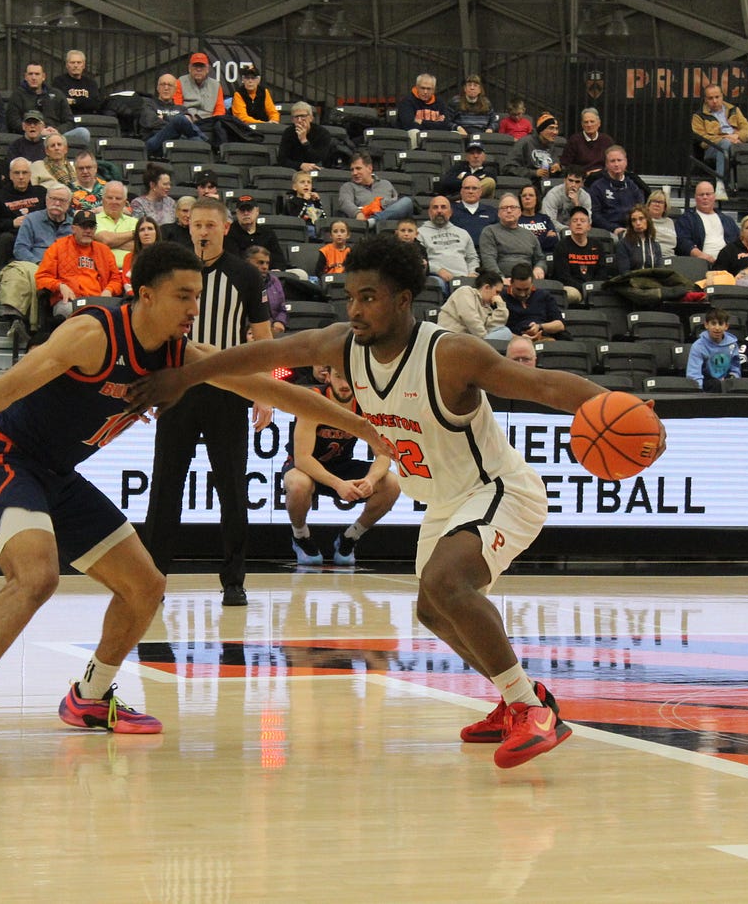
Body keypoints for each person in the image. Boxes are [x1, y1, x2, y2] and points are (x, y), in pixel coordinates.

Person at [126, 235, 636, 770]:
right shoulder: (342, 345)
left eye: (368, 297)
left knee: (447, 584)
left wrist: (624, 409)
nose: (355, 309)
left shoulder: (451, 354)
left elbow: (543, 385)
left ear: (402, 300)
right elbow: (269, 353)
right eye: (350, 297)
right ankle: (519, 698)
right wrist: (187, 374)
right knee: (432, 611)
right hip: (443, 500)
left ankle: (533, 712)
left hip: (497, 489)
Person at [0, 241, 384, 772]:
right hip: (3, 461)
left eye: (199, 295)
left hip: (58, 476)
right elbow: (7, 388)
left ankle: (90, 697)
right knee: (37, 576)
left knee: (146, 586)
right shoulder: (91, 335)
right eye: (184, 296)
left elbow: (271, 390)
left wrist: (365, 427)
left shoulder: (181, 355)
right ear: (145, 295)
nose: (194, 308)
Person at [141, 198, 273, 607]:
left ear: (225, 228)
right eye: (195, 224)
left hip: (227, 391)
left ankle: (234, 579)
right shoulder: (174, 273)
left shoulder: (246, 275)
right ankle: (153, 578)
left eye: (209, 226)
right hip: (178, 387)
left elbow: (264, 339)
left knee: (233, 488)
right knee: (165, 486)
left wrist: (264, 392)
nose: (202, 231)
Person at [284, 364, 402, 565]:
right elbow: (303, 458)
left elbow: (384, 454)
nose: (344, 384)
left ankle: (350, 538)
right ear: (328, 377)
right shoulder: (313, 401)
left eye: (350, 378)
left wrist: (370, 480)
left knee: (392, 484)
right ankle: (300, 536)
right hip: (306, 467)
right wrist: (338, 484)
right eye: (339, 376)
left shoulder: (367, 405)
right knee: (298, 484)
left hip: (341, 464)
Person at [35, 210, 123, 321]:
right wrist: (60, 286)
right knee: (67, 311)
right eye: (84, 227)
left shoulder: (104, 250)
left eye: (91, 227)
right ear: (73, 228)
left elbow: (116, 279)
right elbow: (42, 277)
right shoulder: (58, 247)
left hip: (98, 300)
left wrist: (109, 290)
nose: (88, 231)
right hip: (70, 301)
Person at [0, 157, 45, 274]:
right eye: (16, 173)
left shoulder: (41, 193)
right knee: (5, 239)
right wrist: (12, 223)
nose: (21, 177)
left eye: (24, 173)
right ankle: (0, 281)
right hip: (10, 238)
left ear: (30, 175)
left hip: (38, 237)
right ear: (10, 175)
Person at [3, 62, 88, 147]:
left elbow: (69, 121)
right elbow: (13, 122)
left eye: (37, 74)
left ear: (43, 76)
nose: (33, 77)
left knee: (83, 133)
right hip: (30, 136)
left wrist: (57, 131)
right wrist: (38, 131)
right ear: (25, 77)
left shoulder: (57, 94)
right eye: (30, 74)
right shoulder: (17, 95)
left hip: (56, 135)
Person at [691, 84, 748, 191]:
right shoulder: (698, 116)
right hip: (713, 149)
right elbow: (702, 140)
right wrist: (726, 139)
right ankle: (720, 184)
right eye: (710, 98)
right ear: (705, 100)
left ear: (722, 96)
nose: (714, 101)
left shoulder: (734, 110)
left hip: (736, 145)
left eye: (717, 97)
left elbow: (747, 130)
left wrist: (736, 136)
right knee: (724, 145)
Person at [552, 206, 612, 304]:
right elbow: (563, 276)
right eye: (575, 221)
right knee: (570, 294)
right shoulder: (561, 246)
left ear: (589, 226)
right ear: (570, 225)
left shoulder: (597, 245)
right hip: (573, 288)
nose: (578, 223)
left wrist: (592, 287)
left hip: (594, 288)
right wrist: (584, 288)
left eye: (582, 221)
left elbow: (602, 273)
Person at [338, 151, 413, 228]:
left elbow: (396, 203)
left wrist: (380, 204)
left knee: (407, 202)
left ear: (369, 168)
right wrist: (358, 213)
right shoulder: (348, 186)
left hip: (388, 223)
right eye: (352, 170)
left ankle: (374, 220)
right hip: (364, 221)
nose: (354, 173)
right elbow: (345, 203)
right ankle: (372, 222)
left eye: (358, 168)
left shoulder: (386, 184)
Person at [479, 193, 544, 278]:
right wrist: (500, 279)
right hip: (501, 281)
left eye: (513, 207)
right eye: (504, 208)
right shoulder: (490, 231)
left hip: (527, 282)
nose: (509, 211)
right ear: (498, 213)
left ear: (520, 212)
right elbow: (488, 260)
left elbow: (540, 258)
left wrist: (539, 267)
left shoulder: (529, 234)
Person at [418, 196, 479, 285]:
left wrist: (473, 273)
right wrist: (437, 270)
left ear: (450, 212)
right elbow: (419, 260)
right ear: (429, 212)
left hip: (464, 279)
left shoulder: (463, 233)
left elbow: (472, 258)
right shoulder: (419, 233)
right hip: (437, 278)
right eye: (435, 207)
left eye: (443, 207)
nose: (439, 211)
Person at [139, 74, 206, 155]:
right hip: (154, 142)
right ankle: (206, 142)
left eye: (170, 85)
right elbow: (150, 121)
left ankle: (204, 146)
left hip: (178, 142)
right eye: (163, 84)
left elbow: (188, 126)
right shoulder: (148, 103)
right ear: (157, 88)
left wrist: (164, 119)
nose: (166, 88)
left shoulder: (182, 109)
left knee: (195, 139)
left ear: (175, 90)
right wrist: (175, 125)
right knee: (179, 120)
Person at [674, 180, 740, 263]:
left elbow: (740, 241)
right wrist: (701, 255)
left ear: (714, 196)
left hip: (728, 264)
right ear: (695, 197)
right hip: (700, 263)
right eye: (701, 195)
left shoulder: (728, 220)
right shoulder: (686, 219)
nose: (705, 197)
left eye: (708, 194)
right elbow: (683, 242)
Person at [587, 146, 647, 237]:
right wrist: (613, 228)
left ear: (626, 162)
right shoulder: (597, 187)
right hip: (608, 231)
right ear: (606, 165)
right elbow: (595, 215)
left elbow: (641, 210)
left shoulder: (633, 186)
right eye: (612, 161)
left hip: (632, 229)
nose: (616, 164)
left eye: (619, 160)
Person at [437, 268, 511, 340]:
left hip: (469, 341)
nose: (497, 296)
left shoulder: (487, 308)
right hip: (450, 338)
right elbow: (470, 319)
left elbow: (493, 327)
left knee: (504, 331)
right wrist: (485, 340)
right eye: (497, 292)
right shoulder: (465, 292)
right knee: (506, 333)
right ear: (487, 287)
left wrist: (501, 306)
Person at [396, 72, 465, 144]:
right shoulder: (407, 102)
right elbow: (409, 124)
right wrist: (435, 123)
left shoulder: (440, 102)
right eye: (422, 88)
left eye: (429, 89)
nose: (425, 92)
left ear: (434, 90)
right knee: (414, 132)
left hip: (436, 135)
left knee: (455, 134)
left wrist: (421, 122)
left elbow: (445, 124)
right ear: (417, 87)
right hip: (415, 136)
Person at [502, 262, 565, 340]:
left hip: (544, 338)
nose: (522, 294)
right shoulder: (502, 298)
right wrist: (521, 338)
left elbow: (560, 325)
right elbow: (496, 329)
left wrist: (540, 326)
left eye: (526, 289)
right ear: (511, 283)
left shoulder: (543, 295)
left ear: (532, 283)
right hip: (515, 340)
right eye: (518, 289)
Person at [686, 307, 740, 391]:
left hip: (726, 384)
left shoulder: (732, 344)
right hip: (707, 385)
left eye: (720, 324)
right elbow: (694, 374)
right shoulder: (698, 346)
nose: (717, 328)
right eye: (713, 323)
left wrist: (733, 378)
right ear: (706, 325)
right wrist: (699, 392)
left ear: (726, 326)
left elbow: (735, 368)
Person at [225, 197, 285, 270]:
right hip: (241, 274)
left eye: (249, 210)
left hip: (268, 273)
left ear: (257, 211)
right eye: (242, 210)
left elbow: (279, 260)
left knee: (300, 273)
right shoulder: (229, 232)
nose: (246, 213)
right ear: (237, 213)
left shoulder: (268, 233)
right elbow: (233, 261)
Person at [501, 112, 562, 180]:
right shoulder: (524, 142)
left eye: (556, 129)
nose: (555, 132)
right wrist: (534, 173)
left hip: (547, 184)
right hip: (529, 184)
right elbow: (507, 168)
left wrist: (558, 167)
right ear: (541, 130)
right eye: (551, 128)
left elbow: (555, 165)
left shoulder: (551, 144)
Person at [277, 101, 334, 174]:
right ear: (292, 120)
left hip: (316, 170)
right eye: (296, 117)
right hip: (293, 171)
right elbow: (282, 160)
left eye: (303, 116)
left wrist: (304, 141)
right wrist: (301, 165)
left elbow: (319, 158)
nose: (299, 120)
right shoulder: (288, 132)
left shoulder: (322, 133)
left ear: (311, 118)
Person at [560, 107, 614, 176]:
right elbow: (566, 165)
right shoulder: (574, 140)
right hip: (581, 179)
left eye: (592, 121)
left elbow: (613, 162)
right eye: (586, 122)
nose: (589, 125)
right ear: (582, 125)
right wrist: (585, 174)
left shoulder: (607, 140)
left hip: (603, 178)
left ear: (599, 123)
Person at [247, 245, 287, 334]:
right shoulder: (242, 282)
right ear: (248, 262)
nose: (265, 267)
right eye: (260, 263)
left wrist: (280, 322)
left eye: (267, 263)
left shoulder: (274, 281)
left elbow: (282, 307)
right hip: (251, 331)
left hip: (275, 330)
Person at [449, 175, 498, 245]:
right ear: (461, 191)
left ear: (480, 191)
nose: (470, 191)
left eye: (474, 188)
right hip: (459, 252)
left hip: (485, 252)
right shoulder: (450, 211)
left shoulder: (492, 212)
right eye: (467, 188)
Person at [615, 204, 664, 272]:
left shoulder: (655, 245)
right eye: (634, 220)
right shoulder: (623, 244)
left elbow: (660, 270)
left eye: (641, 219)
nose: (638, 223)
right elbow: (624, 273)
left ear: (647, 220)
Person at [283, 169, 327, 238]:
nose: (306, 184)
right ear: (294, 187)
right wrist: (304, 201)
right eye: (302, 182)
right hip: (299, 232)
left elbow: (322, 220)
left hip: (315, 232)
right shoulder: (291, 201)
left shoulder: (313, 201)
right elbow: (297, 219)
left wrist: (317, 202)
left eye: (309, 182)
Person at [60, 50, 106, 116]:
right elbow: (62, 103)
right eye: (72, 62)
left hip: (89, 119)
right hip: (69, 119)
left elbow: (95, 104)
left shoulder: (91, 83)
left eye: (79, 62)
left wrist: (73, 101)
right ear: (67, 65)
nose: (76, 65)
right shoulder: (59, 81)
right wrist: (85, 102)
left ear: (84, 65)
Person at [516, 184, 557, 257]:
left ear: (537, 199)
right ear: (520, 199)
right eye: (524, 196)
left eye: (531, 195)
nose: (527, 198)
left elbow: (553, 240)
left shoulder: (545, 218)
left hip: (545, 256)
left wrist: (529, 240)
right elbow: (519, 243)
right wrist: (545, 237)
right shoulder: (516, 219)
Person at [646, 190, 678, 254]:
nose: (657, 204)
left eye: (660, 202)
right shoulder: (643, 220)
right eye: (654, 201)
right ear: (649, 204)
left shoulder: (670, 222)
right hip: (651, 256)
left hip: (670, 257)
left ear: (665, 207)